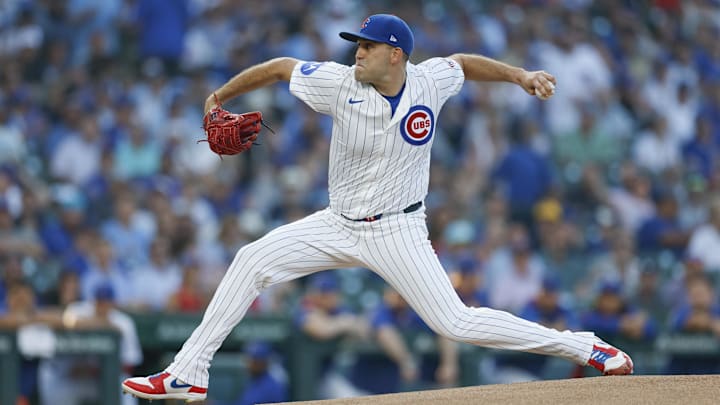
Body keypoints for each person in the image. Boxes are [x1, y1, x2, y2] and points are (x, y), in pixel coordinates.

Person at [122, 14, 633, 402]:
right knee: (250, 259)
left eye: (366, 46)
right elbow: (280, 68)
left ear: (396, 55)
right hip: (337, 223)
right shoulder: (338, 83)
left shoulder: (428, 82)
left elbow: (462, 63)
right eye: (356, 45)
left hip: (399, 231)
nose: (356, 54)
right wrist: (217, 96)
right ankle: (189, 373)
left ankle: (585, 347)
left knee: (455, 323)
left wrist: (519, 75)